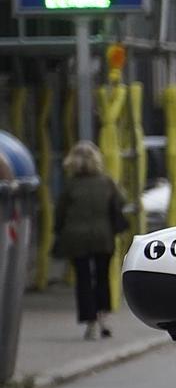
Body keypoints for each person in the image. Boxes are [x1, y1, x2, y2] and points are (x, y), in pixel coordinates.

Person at [53, 141, 122, 341]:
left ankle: (90, 323)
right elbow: (119, 205)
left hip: (76, 239)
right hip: (103, 237)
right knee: (102, 278)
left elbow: (60, 215)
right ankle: (104, 320)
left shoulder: (70, 186)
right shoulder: (107, 182)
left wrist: (57, 233)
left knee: (83, 280)